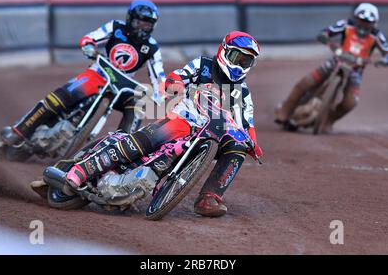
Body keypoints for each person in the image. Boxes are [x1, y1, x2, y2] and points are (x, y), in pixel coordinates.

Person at [64, 31, 264, 217]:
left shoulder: (242, 92)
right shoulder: (203, 65)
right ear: (224, 51)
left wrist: (254, 144)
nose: (239, 65)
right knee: (144, 140)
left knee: (239, 146)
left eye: (246, 61)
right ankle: (83, 170)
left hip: (213, 133)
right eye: (237, 58)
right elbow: (179, 75)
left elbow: (247, 123)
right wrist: (174, 83)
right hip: (184, 119)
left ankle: (209, 198)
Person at [1, 0, 166, 146]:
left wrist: (161, 93)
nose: (142, 29)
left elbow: (158, 75)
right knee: (58, 99)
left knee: (138, 108)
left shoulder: (152, 47)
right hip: (100, 73)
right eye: (139, 23)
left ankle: (119, 153)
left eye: (147, 24)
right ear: (130, 19)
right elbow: (91, 38)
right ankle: (18, 132)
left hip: (125, 86)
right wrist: (89, 47)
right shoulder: (115, 27)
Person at [275, 3, 388, 133]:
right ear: (356, 18)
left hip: (356, 71)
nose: (364, 24)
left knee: (351, 102)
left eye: (368, 22)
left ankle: (328, 121)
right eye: (361, 20)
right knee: (306, 82)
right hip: (336, 61)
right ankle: (284, 111)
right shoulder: (346, 25)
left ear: (374, 23)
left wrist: (384, 61)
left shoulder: (377, 36)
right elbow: (327, 31)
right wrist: (324, 36)